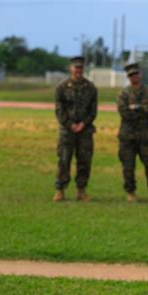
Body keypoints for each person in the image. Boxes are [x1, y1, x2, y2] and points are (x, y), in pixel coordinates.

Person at [53, 56, 97, 202]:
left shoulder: (90, 88)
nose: (78, 70)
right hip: (67, 130)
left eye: (80, 68)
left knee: (84, 161)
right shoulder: (62, 87)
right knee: (64, 160)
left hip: (85, 131)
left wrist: (83, 124)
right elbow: (59, 110)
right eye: (75, 67)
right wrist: (70, 124)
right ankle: (60, 190)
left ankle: (81, 190)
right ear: (70, 69)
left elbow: (93, 111)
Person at [117, 62, 148, 202]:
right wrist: (143, 110)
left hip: (145, 136)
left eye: (136, 73)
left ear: (140, 74)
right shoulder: (124, 94)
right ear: (128, 76)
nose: (134, 76)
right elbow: (124, 113)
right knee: (128, 166)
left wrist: (136, 108)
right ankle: (130, 192)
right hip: (127, 136)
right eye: (131, 75)